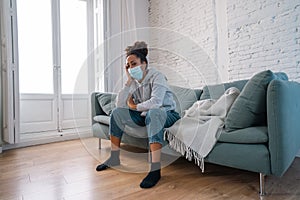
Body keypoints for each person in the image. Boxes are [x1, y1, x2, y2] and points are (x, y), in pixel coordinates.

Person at [96, 41, 180, 188]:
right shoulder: (133, 82)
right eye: (128, 66)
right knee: (117, 113)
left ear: (144, 63)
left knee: (154, 112)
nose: (130, 68)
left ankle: (155, 169)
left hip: (166, 114)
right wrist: (128, 81)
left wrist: (134, 106)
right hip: (143, 115)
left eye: (133, 64)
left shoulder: (157, 76)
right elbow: (119, 105)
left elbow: (156, 102)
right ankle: (114, 158)